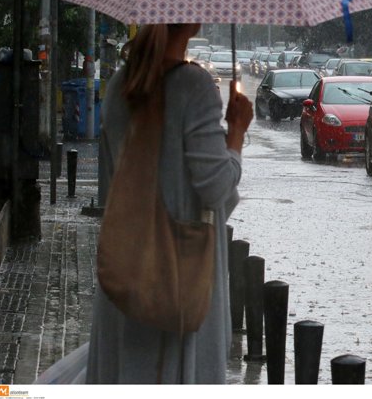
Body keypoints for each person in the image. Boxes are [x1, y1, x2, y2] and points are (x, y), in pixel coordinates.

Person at [86, 23, 253, 383]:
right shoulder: (192, 86)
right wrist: (237, 133)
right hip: (176, 280)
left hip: (126, 275)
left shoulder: (120, 85)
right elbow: (216, 189)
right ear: (191, 20)